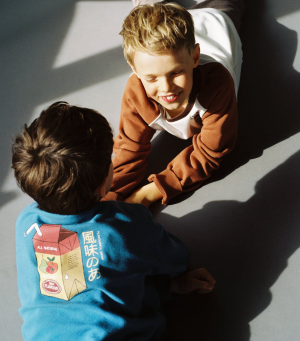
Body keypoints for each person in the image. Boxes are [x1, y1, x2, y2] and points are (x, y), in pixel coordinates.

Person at [13, 101, 215, 341]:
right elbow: (176, 257)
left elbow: (72, 291)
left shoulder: (26, 223)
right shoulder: (125, 225)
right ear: (103, 184)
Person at [88, 0, 247, 208]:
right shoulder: (137, 86)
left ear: (195, 57)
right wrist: (109, 198)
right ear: (135, 70)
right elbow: (130, 149)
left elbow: (209, 152)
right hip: (166, 32)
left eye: (176, 73)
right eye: (151, 78)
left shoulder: (217, 85)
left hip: (215, 19)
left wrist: (149, 193)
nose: (166, 88)